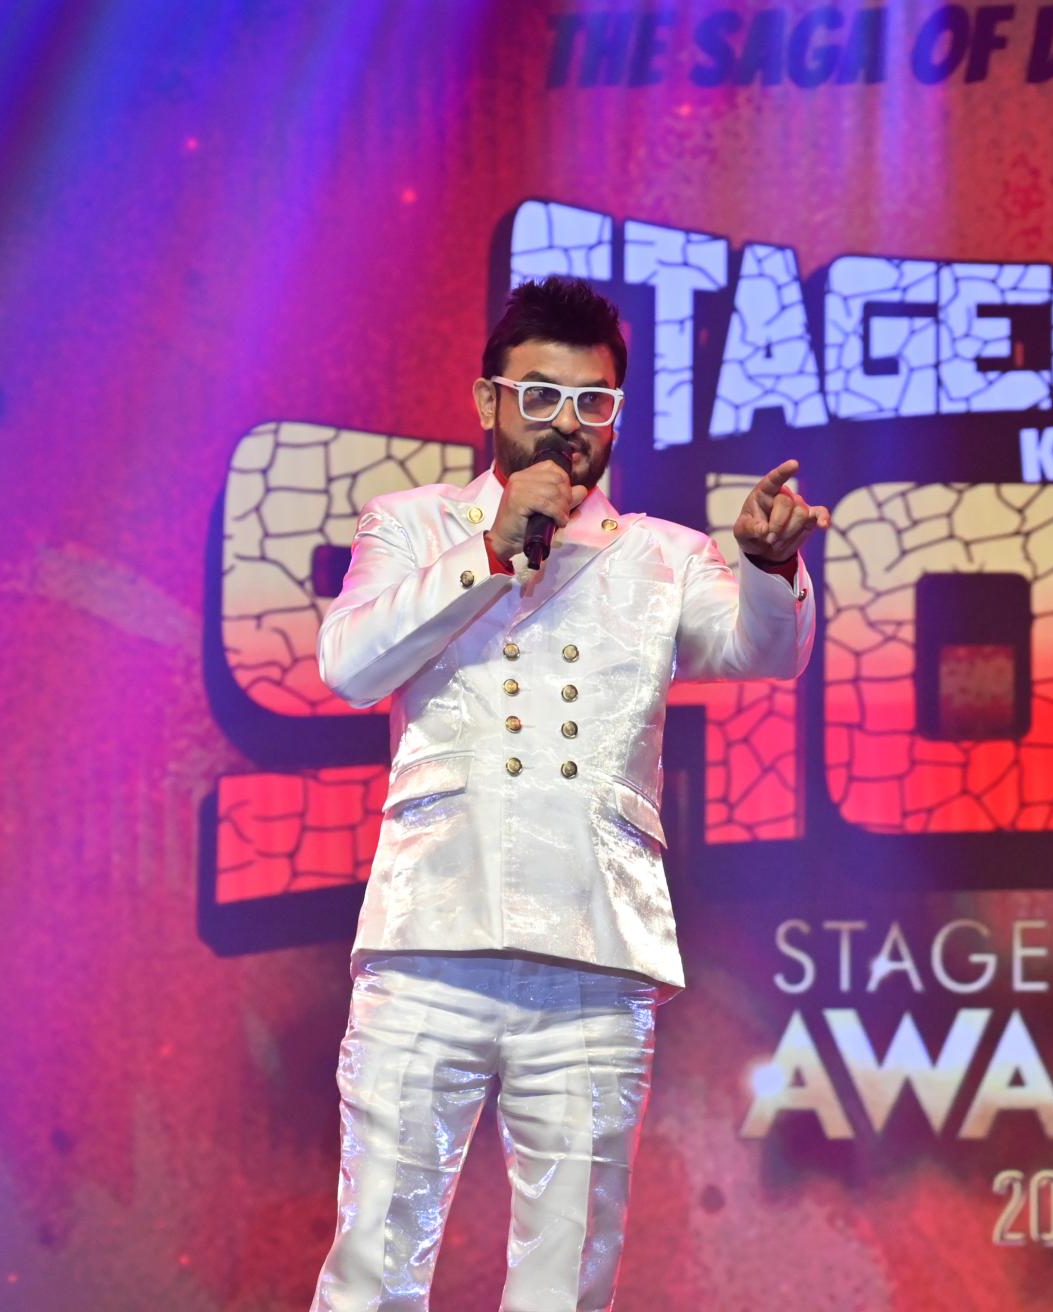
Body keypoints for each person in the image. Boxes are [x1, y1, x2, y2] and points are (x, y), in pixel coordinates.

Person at [310, 276, 826, 1311]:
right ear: (488, 400)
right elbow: (349, 664)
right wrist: (493, 546)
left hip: (594, 954)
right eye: (540, 396)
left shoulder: (663, 555)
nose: (566, 423)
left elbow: (765, 652)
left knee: (568, 1274)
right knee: (376, 1259)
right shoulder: (412, 526)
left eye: (593, 402)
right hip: (429, 941)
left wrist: (771, 568)